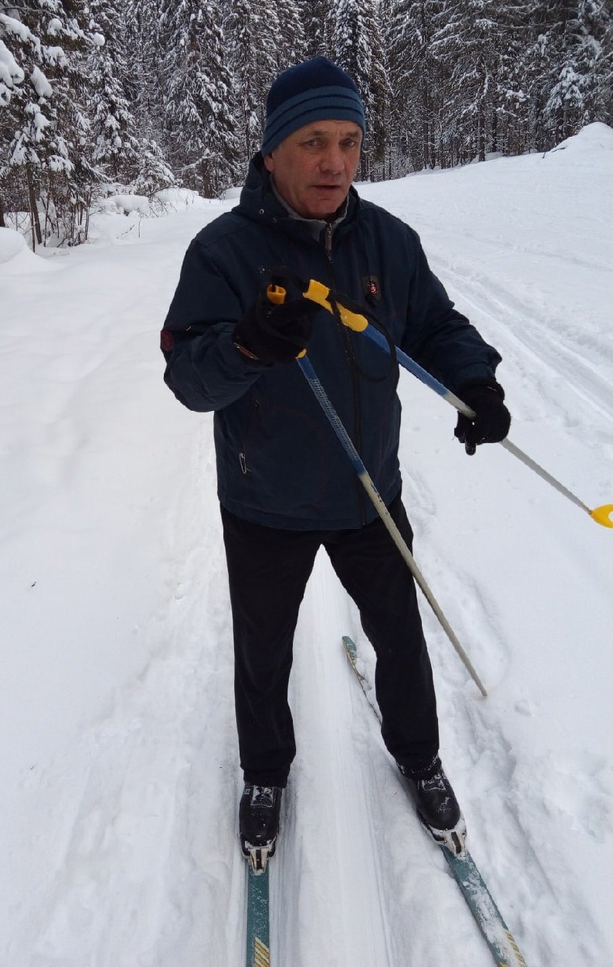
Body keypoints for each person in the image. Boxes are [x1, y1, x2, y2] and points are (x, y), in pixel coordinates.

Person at [160, 57, 510, 865]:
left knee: (400, 632)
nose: (334, 163)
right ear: (273, 151)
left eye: (348, 142)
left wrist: (474, 383)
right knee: (264, 652)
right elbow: (189, 377)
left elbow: (434, 325)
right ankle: (264, 774)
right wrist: (247, 344)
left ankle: (418, 758)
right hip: (264, 498)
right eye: (313, 142)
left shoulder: (387, 240)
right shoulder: (222, 251)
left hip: (366, 493)